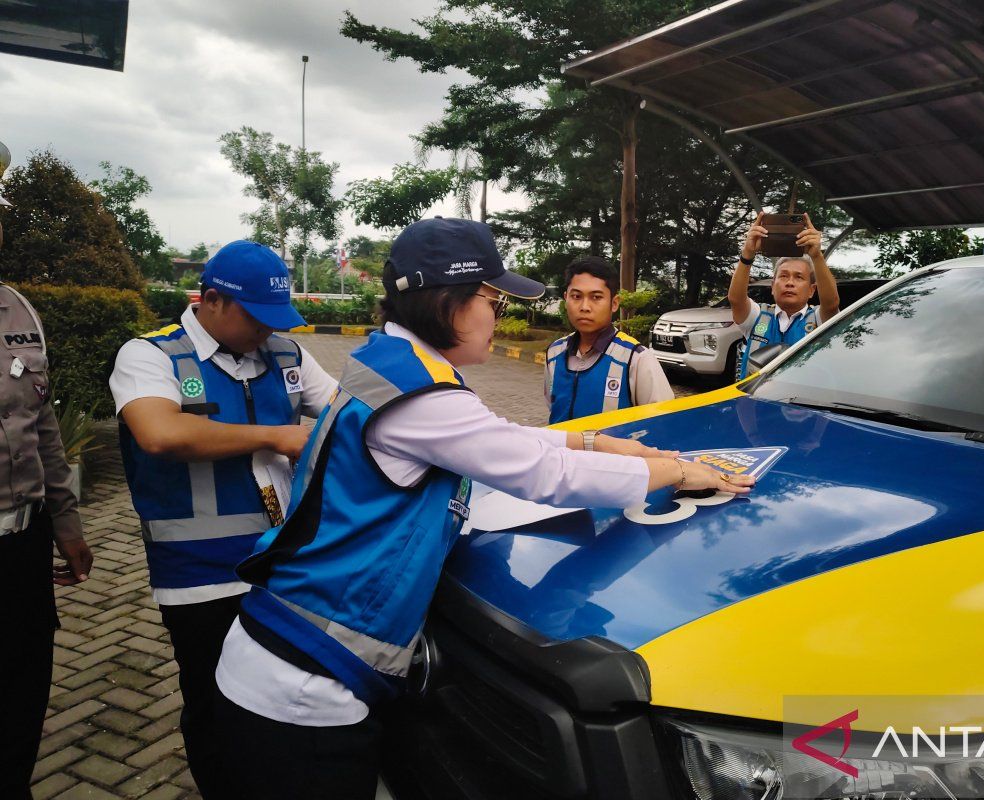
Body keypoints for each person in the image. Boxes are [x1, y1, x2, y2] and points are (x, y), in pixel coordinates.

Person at [211, 217, 753, 800]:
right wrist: (677, 469)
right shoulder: (418, 393)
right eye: (492, 299)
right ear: (447, 302)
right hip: (302, 683)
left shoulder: (396, 362)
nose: (498, 314)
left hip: (297, 650)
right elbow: (545, 474)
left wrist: (601, 442)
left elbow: (500, 436)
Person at [109, 240, 337, 798]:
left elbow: (342, 412)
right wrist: (275, 435)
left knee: (282, 704)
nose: (267, 331)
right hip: (199, 577)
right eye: (257, 318)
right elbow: (160, 434)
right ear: (211, 301)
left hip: (283, 570)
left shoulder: (285, 355)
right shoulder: (151, 357)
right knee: (215, 711)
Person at [0, 139, 93, 800]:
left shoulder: (17, 310)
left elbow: (43, 424)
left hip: (22, 544)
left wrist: (65, 522)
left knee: (23, 691)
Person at [545, 256, 673, 423]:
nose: (584, 307)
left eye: (596, 297)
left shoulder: (636, 359)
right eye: (576, 296)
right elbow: (553, 407)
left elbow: (663, 423)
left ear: (614, 303)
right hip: (559, 450)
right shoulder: (555, 353)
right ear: (566, 298)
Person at [730, 213, 840, 379]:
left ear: (811, 290)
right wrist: (748, 252)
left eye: (799, 277)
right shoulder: (758, 316)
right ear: (773, 286)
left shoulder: (817, 320)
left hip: (798, 402)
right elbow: (736, 300)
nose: (790, 282)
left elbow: (831, 304)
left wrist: (816, 256)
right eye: (783, 276)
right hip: (753, 403)